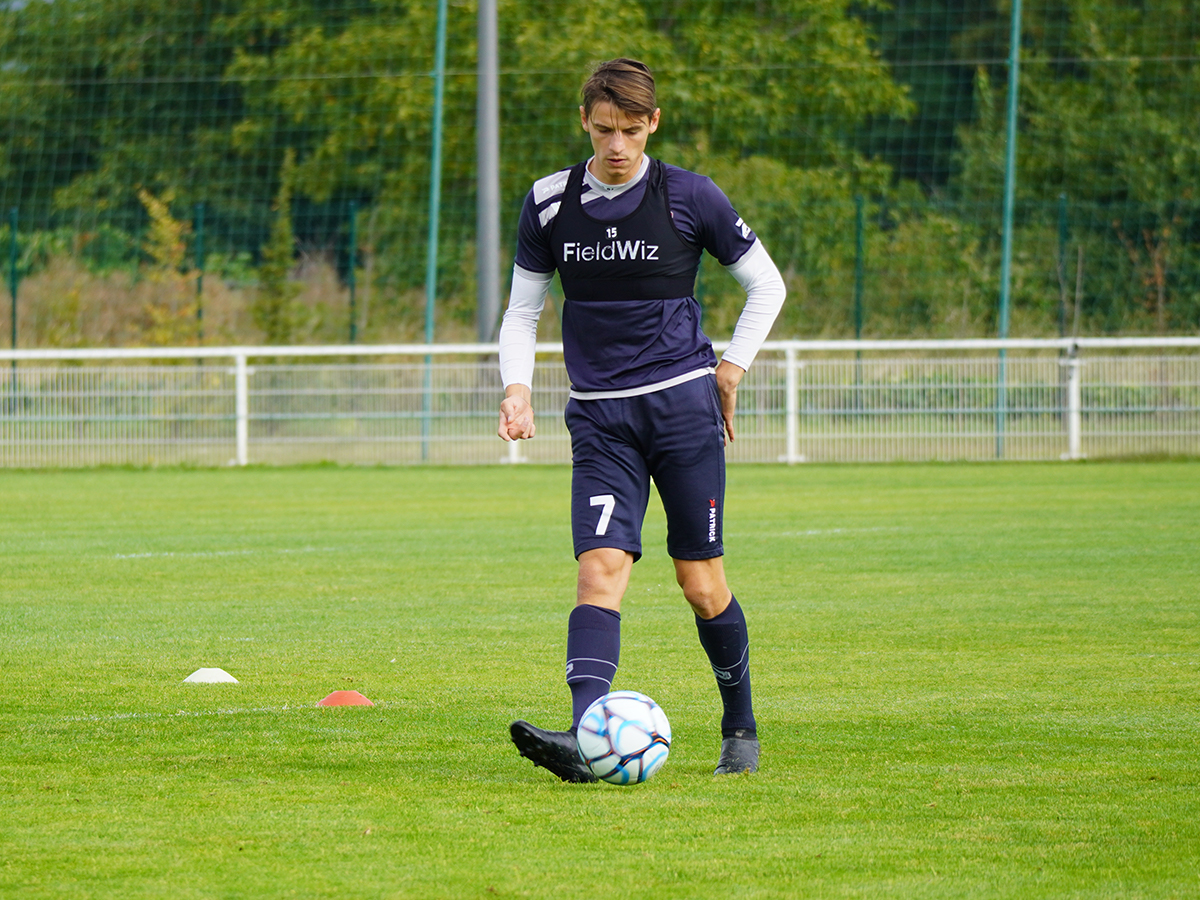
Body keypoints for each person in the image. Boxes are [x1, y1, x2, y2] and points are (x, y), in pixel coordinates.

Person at [497, 58, 786, 782]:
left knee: (701, 581)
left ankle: (740, 727)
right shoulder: (548, 202)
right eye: (603, 130)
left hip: (683, 409)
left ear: (651, 123)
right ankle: (585, 739)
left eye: (630, 130)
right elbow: (523, 309)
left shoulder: (689, 195)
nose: (617, 145)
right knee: (600, 571)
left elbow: (765, 284)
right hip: (599, 419)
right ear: (584, 122)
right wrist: (517, 388)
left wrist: (732, 366)